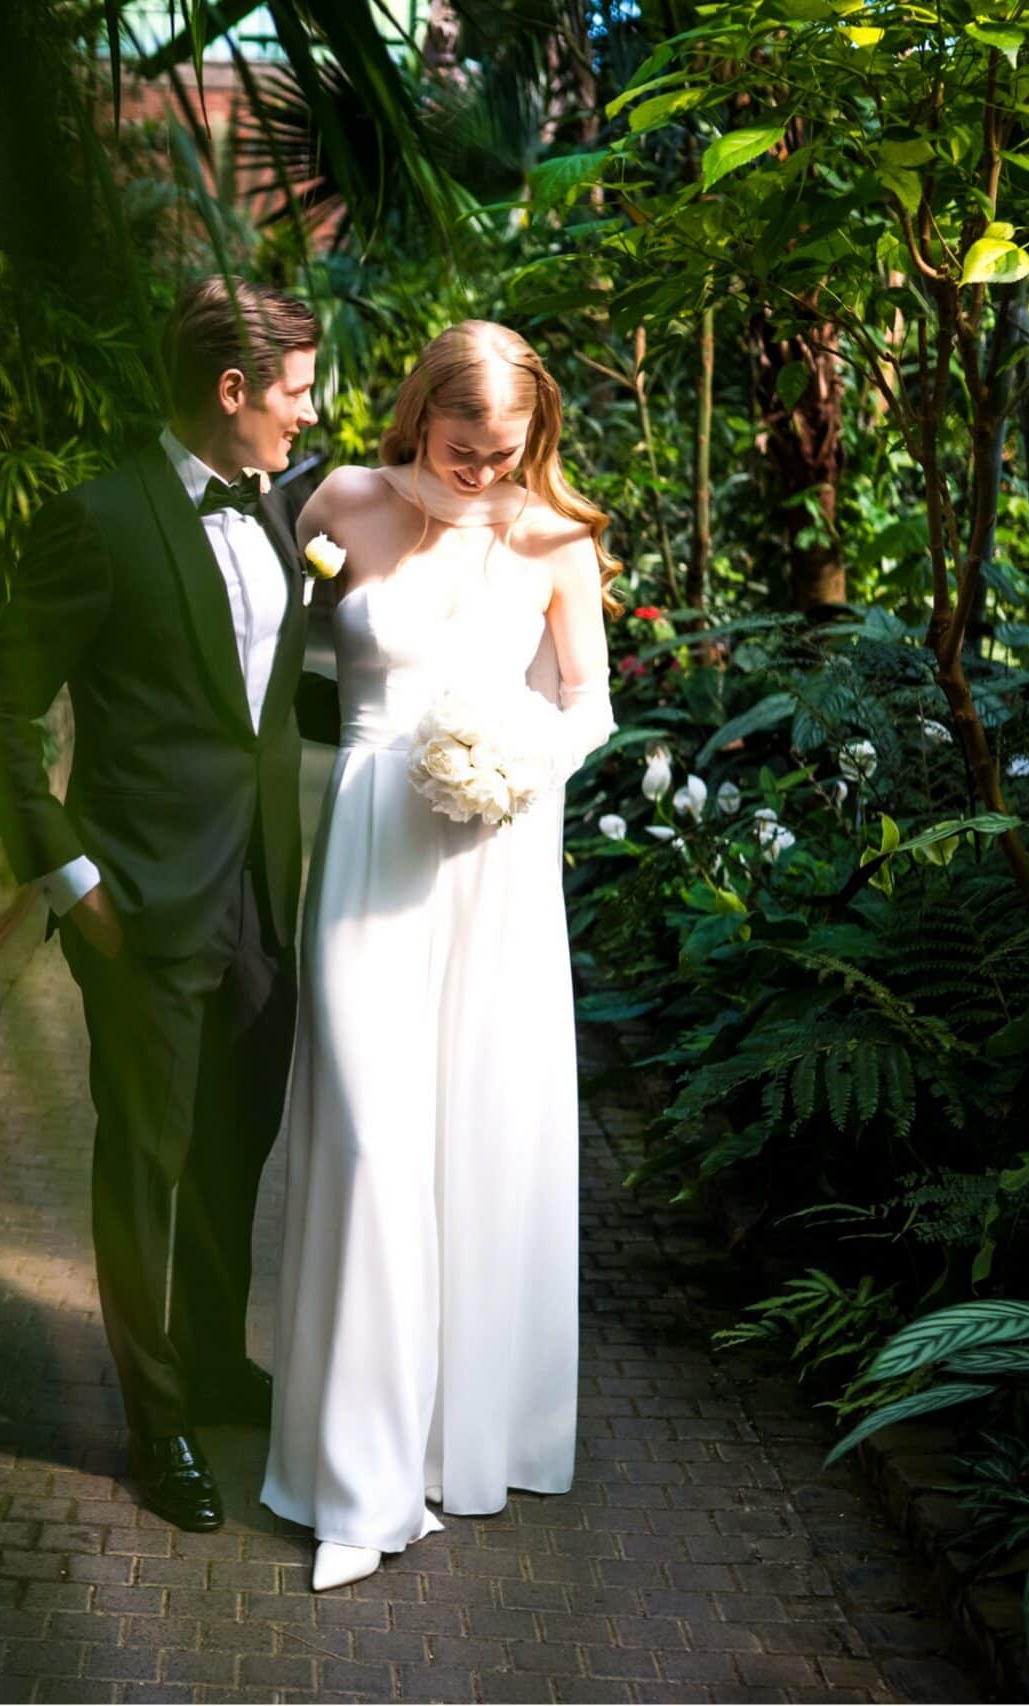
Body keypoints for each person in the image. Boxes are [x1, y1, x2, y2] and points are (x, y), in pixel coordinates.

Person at [0, 276, 341, 1532]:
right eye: (294, 391)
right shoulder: (99, 519)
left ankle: (217, 1359)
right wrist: (70, 880)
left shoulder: (284, 512)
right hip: (140, 902)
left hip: (260, 892)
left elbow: (263, 704)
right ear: (231, 392)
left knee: (238, 1147)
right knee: (148, 1162)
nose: (307, 411)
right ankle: (155, 1416)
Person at [258, 319, 615, 1591]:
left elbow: (590, 701)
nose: (480, 473)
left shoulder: (556, 536)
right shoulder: (341, 500)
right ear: (422, 418)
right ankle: (358, 1482)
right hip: (364, 854)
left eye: (504, 452)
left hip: (494, 865)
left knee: (474, 1138)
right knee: (364, 1140)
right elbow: (275, 658)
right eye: (464, 449)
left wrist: (523, 762)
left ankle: (463, 1428)